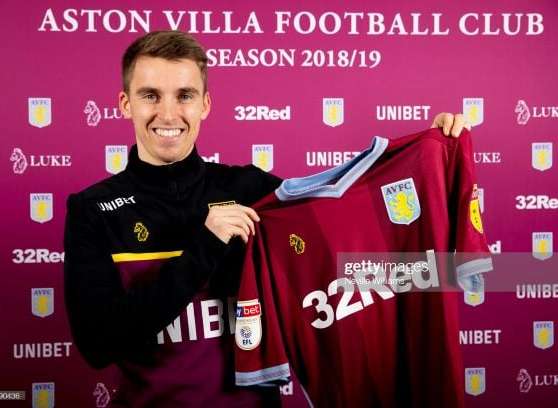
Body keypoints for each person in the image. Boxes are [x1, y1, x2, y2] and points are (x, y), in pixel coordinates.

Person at [63, 30, 471, 407]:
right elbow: (98, 343)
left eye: (184, 95)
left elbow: (346, 213)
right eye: (150, 95)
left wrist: (428, 156)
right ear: (125, 103)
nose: (168, 114)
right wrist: (205, 248)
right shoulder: (91, 210)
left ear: (205, 104)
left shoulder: (250, 189)